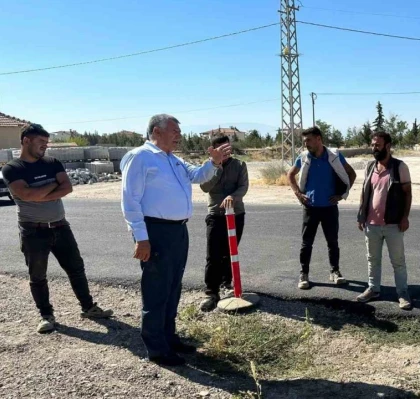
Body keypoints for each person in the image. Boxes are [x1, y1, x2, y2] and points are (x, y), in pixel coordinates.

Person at [120, 114, 231, 367]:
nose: (178, 135)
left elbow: (198, 176)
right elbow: (130, 201)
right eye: (174, 130)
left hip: (178, 231)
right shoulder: (140, 157)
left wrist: (213, 162)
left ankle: (169, 338)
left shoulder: (173, 160)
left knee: (173, 288)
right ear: (157, 132)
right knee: (157, 290)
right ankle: (157, 348)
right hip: (156, 232)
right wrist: (141, 238)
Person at [1, 123, 113, 334]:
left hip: (61, 226)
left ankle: (88, 307)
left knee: (76, 269)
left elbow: (67, 187)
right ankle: (46, 315)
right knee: (38, 276)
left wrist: (40, 193)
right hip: (33, 231)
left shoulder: (52, 162)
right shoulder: (12, 168)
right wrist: (53, 186)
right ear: (26, 141)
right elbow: (27, 196)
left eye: (47, 142)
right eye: (41, 142)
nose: (45, 146)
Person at [286, 126, 357, 290]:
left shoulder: (334, 156)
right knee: (306, 243)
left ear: (319, 139)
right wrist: (298, 194)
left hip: (330, 207)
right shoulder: (304, 157)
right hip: (310, 207)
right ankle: (303, 274)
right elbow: (290, 175)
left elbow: (351, 174)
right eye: (304, 141)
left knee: (332, 242)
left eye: (309, 140)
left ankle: (335, 271)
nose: (306, 144)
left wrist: (342, 194)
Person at [355, 131, 414, 310]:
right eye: (373, 145)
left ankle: (402, 293)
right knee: (372, 259)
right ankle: (373, 289)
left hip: (393, 224)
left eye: (377, 145)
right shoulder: (370, 166)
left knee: (398, 261)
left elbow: (407, 193)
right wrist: (361, 215)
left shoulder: (400, 167)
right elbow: (365, 192)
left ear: (388, 146)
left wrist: (405, 217)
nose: (374, 148)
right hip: (371, 224)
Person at [198, 134, 249, 312]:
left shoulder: (240, 165)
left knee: (230, 252)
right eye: (222, 149)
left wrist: (232, 197)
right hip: (216, 215)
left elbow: (243, 187)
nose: (226, 152)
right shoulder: (208, 167)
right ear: (214, 150)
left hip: (236, 214)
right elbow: (205, 187)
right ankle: (211, 292)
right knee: (213, 254)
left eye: (228, 148)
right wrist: (217, 166)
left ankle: (227, 282)